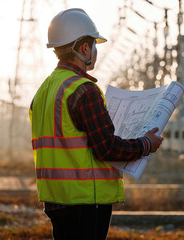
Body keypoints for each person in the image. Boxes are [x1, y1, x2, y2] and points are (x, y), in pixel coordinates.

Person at [29, 8, 163, 240]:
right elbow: (107, 147)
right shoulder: (83, 90)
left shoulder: (43, 92)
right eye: (93, 45)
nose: (95, 51)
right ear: (84, 49)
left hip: (56, 199)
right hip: (85, 201)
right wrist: (145, 144)